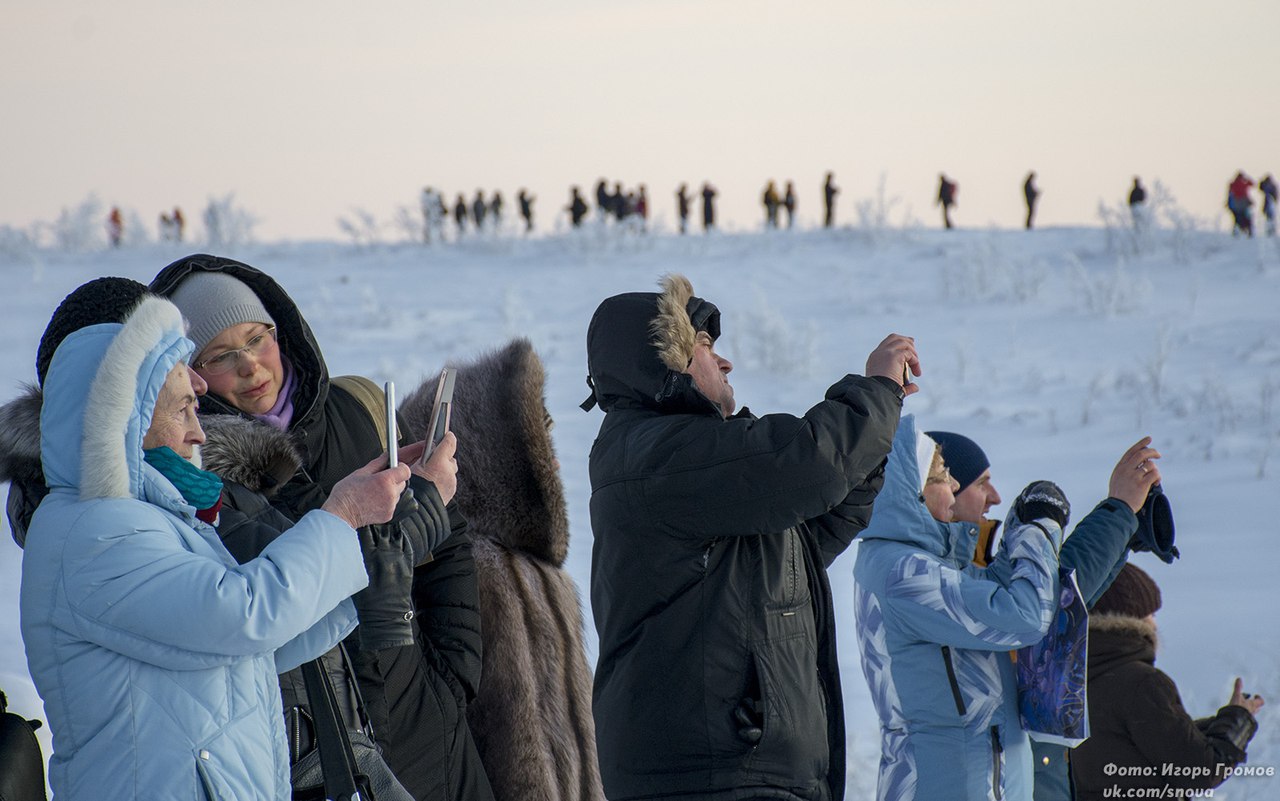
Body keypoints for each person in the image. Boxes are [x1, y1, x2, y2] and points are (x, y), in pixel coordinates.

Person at [15, 278, 407, 800]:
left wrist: (356, 583)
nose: (200, 434)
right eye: (183, 410)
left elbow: (248, 650)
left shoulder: (159, 518)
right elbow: (241, 614)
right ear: (124, 414)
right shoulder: (95, 530)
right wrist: (344, 513)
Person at [151, 256, 495, 801]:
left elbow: (448, 544)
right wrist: (417, 509)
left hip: (428, 724)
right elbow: (274, 600)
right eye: (220, 355)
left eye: (258, 338)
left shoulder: (358, 409)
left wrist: (452, 674)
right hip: (320, 757)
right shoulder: (194, 472)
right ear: (188, 374)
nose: (250, 365)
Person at [582, 273, 915, 801]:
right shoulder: (661, 453)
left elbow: (804, 538)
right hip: (710, 775)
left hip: (735, 769)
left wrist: (865, 454)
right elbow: (807, 463)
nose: (725, 362)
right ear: (665, 360)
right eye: (705, 346)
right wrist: (874, 392)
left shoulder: (685, 462)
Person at [402, 339, 604, 801]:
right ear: (491, 456)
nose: (554, 461)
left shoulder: (537, 571)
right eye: (537, 447)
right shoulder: (470, 576)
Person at [926, 432, 1166, 801]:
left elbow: (1061, 600)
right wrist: (1118, 513)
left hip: (1024, 768)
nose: (996, 497)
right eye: (981, 483)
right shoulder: (943, 574)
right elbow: (1051, 607)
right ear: (945, 489)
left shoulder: (970, 562)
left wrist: (1122, 529)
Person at [854, 417, 1067, 801]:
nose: (954, 485)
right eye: (942, 476)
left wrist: (1020, 522)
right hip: (951, 783)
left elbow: (994, 591)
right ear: (911, 489)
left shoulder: (912, 561)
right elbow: (1024, 617)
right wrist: (1039, 532)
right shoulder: (904, 573)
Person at [1071, 564, 1263, 800]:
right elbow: (1198, 771)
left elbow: (1136, 742)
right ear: (1132, 618)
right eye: (1151, 614)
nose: (1155, 624)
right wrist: (1237, 722)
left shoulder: (1072, 682)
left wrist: (1219, 723)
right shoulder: (1143, 683)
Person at [1227, 171, 1254, 237]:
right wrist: (1246, 179)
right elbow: (1252, 184)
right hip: (1244, 203)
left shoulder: (1233, 184)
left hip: (1236, 203)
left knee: (1237, 218)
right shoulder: (1243, 184)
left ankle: (1236, 231)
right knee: (1246, 218)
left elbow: (1230, 193)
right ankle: (1248, 231)